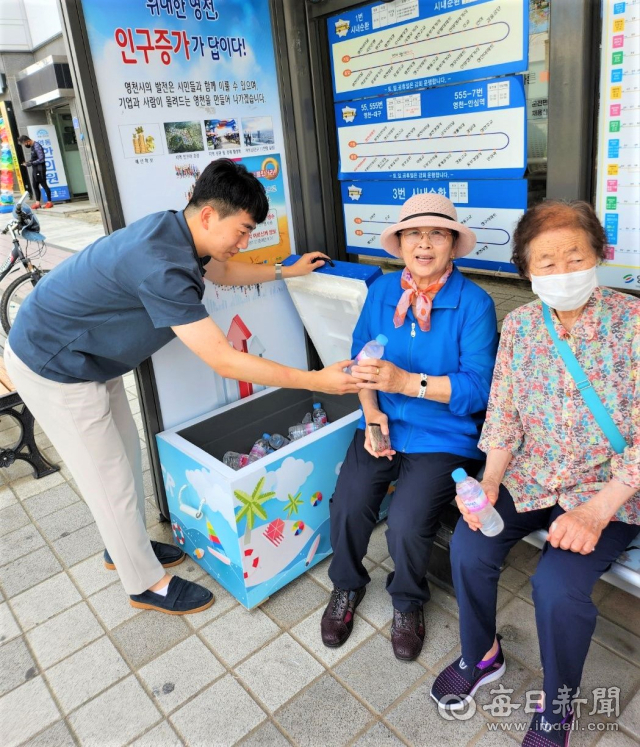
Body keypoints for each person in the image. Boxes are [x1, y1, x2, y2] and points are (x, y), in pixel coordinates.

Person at [4, 158, 358, 616]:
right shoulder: (161, 264)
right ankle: (143, 582)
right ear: (209, 215)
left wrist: (286, 272)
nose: (245, 242)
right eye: (244, 230)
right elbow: (225, 360)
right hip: (54, 365)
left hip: (92, 359)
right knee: (108, 479)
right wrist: (316, 379)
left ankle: (126, 545)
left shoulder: (179, 230)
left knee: (125, 460)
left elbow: (221, 273)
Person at [431, 200, 639, 745]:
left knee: (555, 585)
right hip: (533, 474)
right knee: (469, 545)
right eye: (546, 262)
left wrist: (595, 512)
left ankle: (559, 704)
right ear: (526, 270)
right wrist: (492, 479)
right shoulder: (522, 326)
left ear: (601, 255)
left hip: (608, 490)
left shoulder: (633, 325)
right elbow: (503, 413)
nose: (563, 272)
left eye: (575, 256)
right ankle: (482, 655)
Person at [320, 193, 498, 660]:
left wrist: (408, 383)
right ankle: (346, 586)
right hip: (384, 420)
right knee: (349, 503)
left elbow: (479, 390)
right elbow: (362, 359)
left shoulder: (475, 304)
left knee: (406, 523)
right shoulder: (380, 290)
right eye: (413, 234)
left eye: (436, 233)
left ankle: (407, 600)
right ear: (399, 243)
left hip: (443, 434)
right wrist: (371, 411)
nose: (423, 244)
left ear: (453, 245)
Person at [17, 135, 53, 209]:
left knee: (44, 184)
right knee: (35, 185)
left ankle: (49, 202)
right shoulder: (33, 146)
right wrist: (28, 162)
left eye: (24, 144)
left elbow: (41, 159)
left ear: (28, 141)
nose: (25, 145)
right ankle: (37, 203)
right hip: (35, 169)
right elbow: (34, 158)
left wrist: (31, 163)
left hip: (40, 169)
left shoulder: (37, 146)